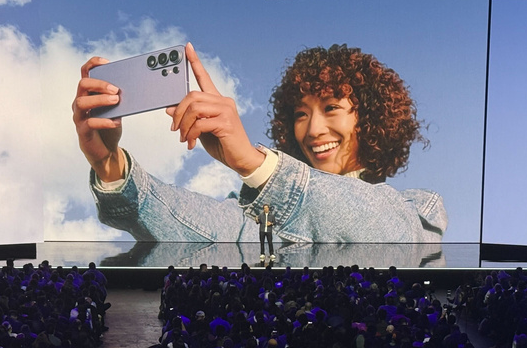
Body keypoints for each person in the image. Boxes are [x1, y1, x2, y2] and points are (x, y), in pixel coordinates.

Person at [73, 43, 446, 256]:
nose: (314, 129)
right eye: (300, 114)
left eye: (331, 108)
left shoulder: (418, 207)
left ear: (372, 120)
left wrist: (255, 163)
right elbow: (183, 224)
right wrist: (109, 164)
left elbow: (390, 236)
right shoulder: (253, 211)